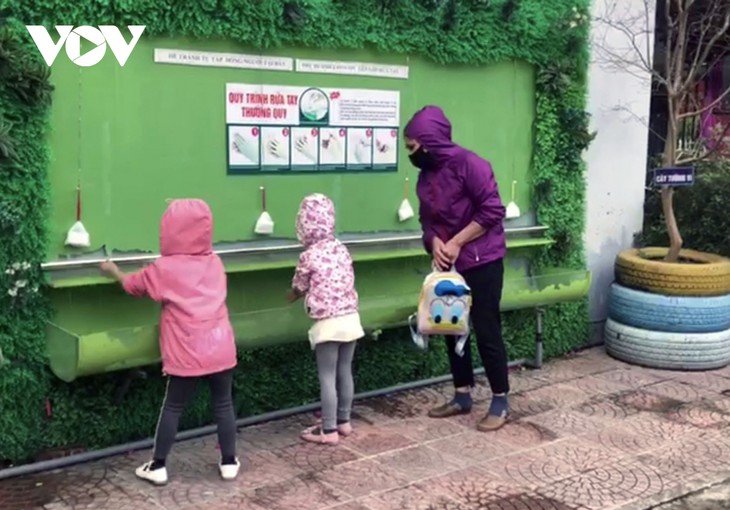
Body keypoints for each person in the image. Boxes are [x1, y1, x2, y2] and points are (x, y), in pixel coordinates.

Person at [100, 199, 239, 485]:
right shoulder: (215, 262)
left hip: (187, 351)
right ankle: (229, 462)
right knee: (223, 403)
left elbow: (133, 285)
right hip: (221, 345)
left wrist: (113, 271)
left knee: (174, 406)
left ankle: (158, 465)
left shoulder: (163, 268)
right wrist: (155, 271)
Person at [404, 105, 510, 432]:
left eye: (412, 147)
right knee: (451, 327)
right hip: (450, 264)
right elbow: (427, 220)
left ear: (429, 142)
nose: (410, 154)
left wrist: (457, 242)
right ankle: (462, 394)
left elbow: (492, 210)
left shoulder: (471, 164)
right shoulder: (426, 175)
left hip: (483, 261)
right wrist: (434, 241)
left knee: (486, 329)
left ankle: (500, 400)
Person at [287, 193, 364, 445]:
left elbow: (299, 286)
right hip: (351, 319)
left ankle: (328, 430)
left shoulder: (309, 256)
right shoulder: (341, 248)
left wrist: (291, 296)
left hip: (328, 324)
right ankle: (344, 421)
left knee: (327, 376)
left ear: (303, 225)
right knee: (345, 371)